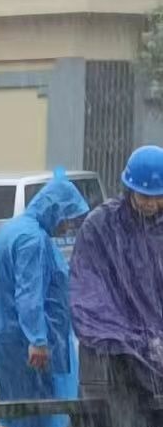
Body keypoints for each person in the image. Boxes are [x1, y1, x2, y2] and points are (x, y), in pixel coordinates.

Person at [0, 170, 89, 427]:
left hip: (4, 340)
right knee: (35, 419)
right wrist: (38, 340)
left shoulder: (13, 229)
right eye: (68, 219)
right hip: (23, 346)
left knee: (13, 414)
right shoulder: (33, 240)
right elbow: (29, 294)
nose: (68, 227)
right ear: (55, 210)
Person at [70, 145, 163, 398]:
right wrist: (126, 340)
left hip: (156, 353)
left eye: (158, 196)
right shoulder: (102, 226)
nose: (152, 204)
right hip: (114, 360)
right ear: (130, 189)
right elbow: (89, 293)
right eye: (145, 196)